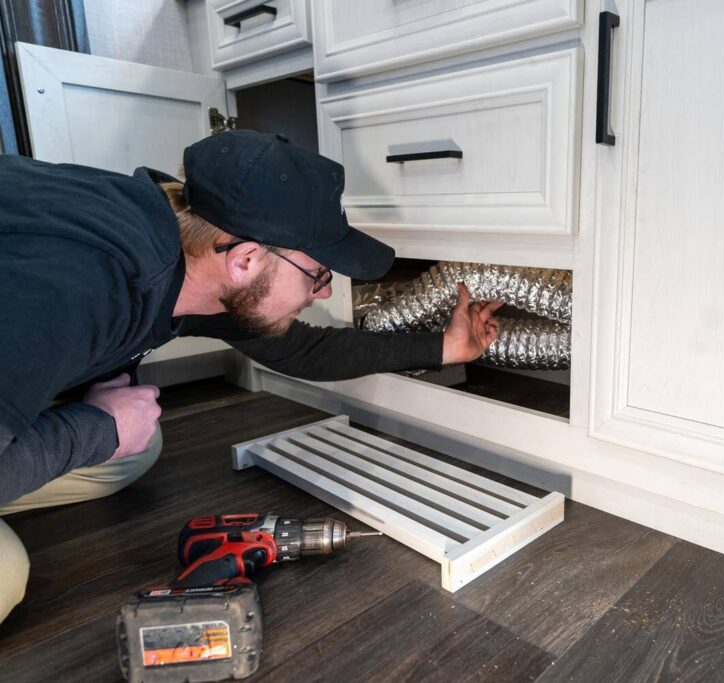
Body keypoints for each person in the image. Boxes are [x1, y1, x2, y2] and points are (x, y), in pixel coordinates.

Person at [0, 130, 502, 623]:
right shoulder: (75, 289)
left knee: (135, 448)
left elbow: (304, 349)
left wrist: (445, 347)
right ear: (244, 258)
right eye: (318, 273)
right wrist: (98, 429)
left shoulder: (192, 251)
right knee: (7, 577)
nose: (322, 292)